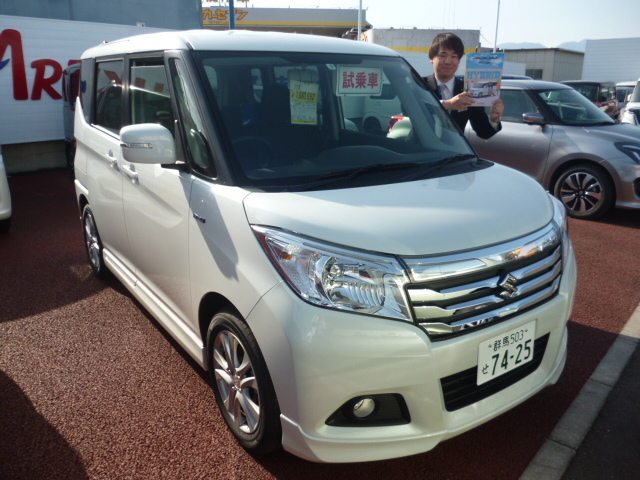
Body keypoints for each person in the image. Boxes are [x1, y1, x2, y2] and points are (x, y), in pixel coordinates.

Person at [423, 32, 504, 140]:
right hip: (421, 149)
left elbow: (483, 133)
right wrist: (447, 104)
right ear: (431, 57)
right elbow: (411, 109)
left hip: (454, 149)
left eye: (454, 56)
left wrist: (494, 119)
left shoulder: (469, 90)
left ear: (459, 60)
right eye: (443, 55)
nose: (448, 61)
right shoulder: (419, 84)